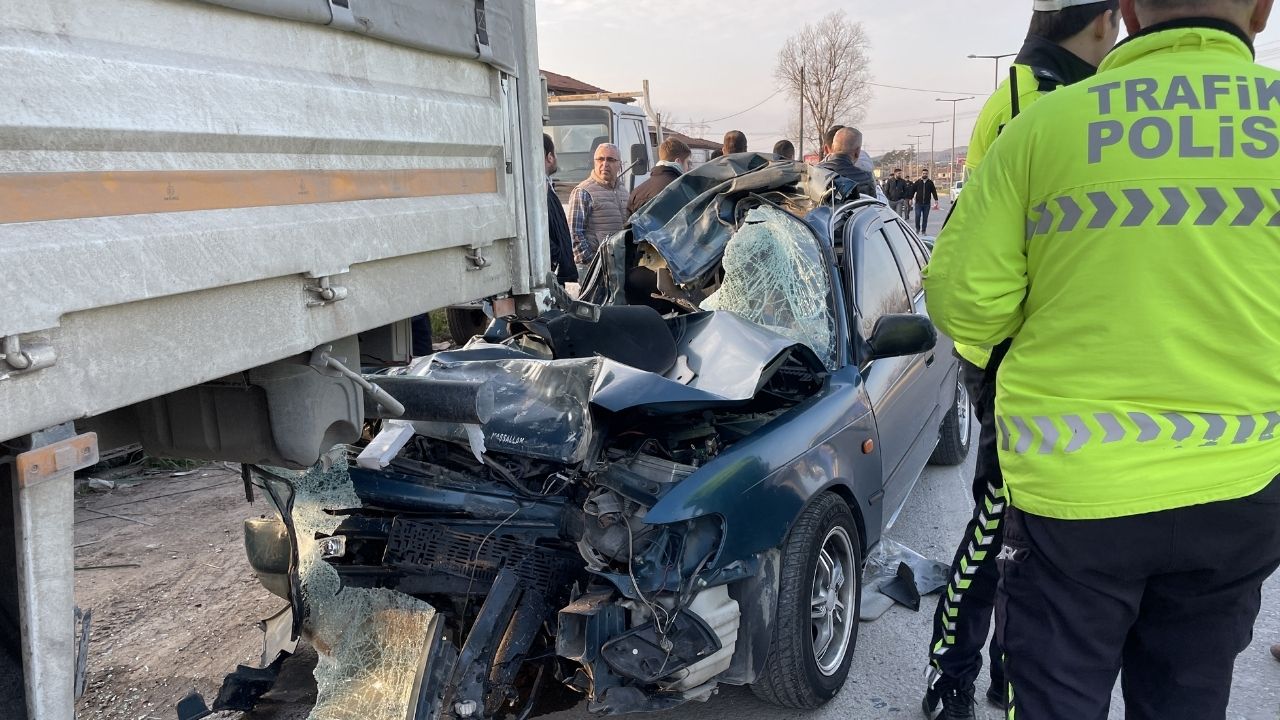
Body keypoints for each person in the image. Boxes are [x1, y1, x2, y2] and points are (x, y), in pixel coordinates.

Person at [924, 2, 1280, 719]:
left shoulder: (1042, 127)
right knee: (1188, 696)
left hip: (1074, 497)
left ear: (1127, 10)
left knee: (1052, 697)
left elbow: (963, 303)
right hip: (1242, 486)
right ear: (1263, 10)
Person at [920, 2, 1122, 719]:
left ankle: (1004, 673)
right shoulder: (1027, 101)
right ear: (1102, 22)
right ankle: (954, 672)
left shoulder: (1071, 98)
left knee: (1025, 538)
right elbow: (976, 269)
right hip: (1015, 357)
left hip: (1052, 357)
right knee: (999, 527)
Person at [567, 142, 628, 276]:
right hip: (593, 268)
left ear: (620, 164)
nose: (605, 164)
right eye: (601, 159)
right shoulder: (583, 191)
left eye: (611, 160)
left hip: (619, 265)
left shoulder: (623, 191)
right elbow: (574, 233)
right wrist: (591, 263)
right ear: (594, 162)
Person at [543, 134, 578, 284]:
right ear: (550, 157)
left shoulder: (546, 186)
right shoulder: (537, 190)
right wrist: (556, 258)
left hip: (557, 275)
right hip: (551, 277)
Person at [627, 137, 691, 216]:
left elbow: (629, 226)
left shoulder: (636, 193)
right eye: (687, 163)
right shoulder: (683, 190)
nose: (688, 168)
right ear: (678, 161)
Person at [817, 127, 877, 197]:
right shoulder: (866, 178)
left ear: (832, 147)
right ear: (857, 152)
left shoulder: (813, 173)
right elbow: (871, 205)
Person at [911, 169, 939, 234]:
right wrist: (910, 199)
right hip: (918, 203)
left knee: (925, 218)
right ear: (922, 174)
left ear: (927, 174)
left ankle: (923, 231)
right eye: (923, 173)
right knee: (917, 216)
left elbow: (934, 191)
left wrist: (936, 200)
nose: (925, 175)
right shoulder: (918, 182)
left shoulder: (930, 182)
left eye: (926, 173)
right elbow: (912, 190)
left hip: (927, 204)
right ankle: (917, 229)